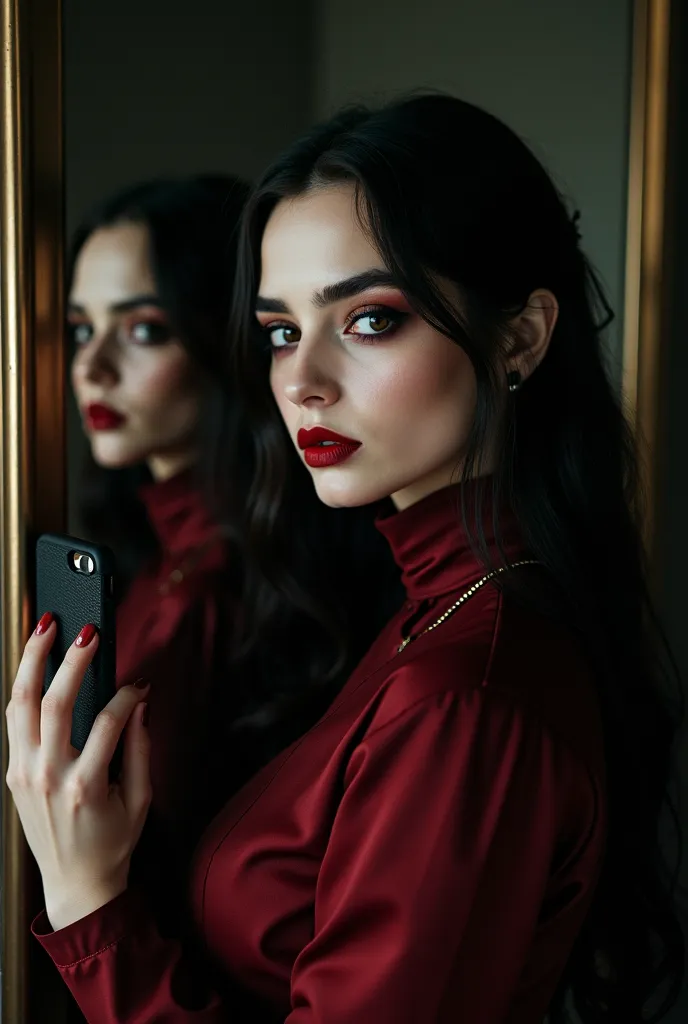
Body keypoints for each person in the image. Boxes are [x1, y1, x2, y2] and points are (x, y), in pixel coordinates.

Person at [7, 95, 685, 1023]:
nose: (301, 379)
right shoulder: (430, 619)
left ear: (520, 336)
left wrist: (92, 907)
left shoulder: (466, 696)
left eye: (368, 319)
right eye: (282, 330)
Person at [61, 176, 252, 927]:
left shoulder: (233, 589)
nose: (93, 367)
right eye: (81, 329)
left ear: (221, 335)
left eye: (143, 329)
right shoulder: (137, 563)